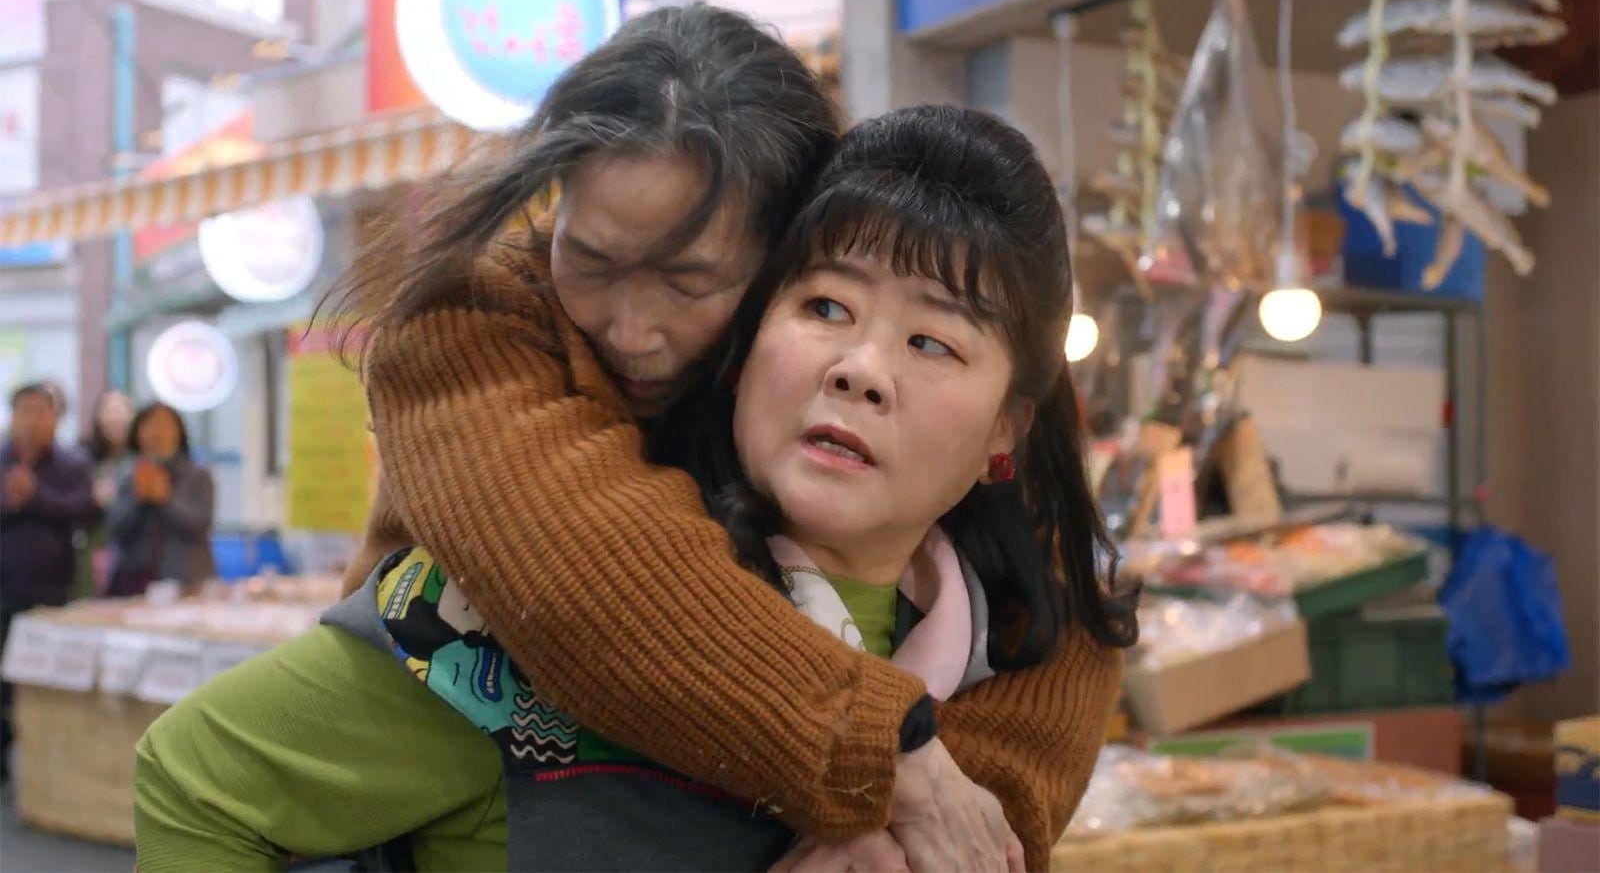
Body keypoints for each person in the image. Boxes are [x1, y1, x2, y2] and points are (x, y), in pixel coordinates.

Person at [134, 104, 1133, 871]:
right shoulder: (508, 622)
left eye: (933, 341)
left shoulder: (1003, 657)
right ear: (743, 340)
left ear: (1005, 429)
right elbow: (195, 780)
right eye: (826, 305)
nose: (861, 368)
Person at [1, 382, 96, 781]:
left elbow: (86, 510)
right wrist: (11, 501)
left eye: (41, 411)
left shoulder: (72, 463)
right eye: (24, 410)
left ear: (55, 418)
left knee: (47, 680)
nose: (32, 419)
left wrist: (36, 495)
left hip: (53, 590)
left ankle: (47, 766)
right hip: (3, 588)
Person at [105, 402, 216, 597]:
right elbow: (115, 528)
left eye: (165, 426)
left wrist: (165, 498)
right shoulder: (126, 474)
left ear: (179, 433)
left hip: (186, 581)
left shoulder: (197, 475)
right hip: (133, 581)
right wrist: (139, 499)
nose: (157, 433)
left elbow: (200, 524)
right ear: (137, 433)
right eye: (150, 426)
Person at [80, 390, 135, 595]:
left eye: (123, 410)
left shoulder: (141, 460)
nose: (117, 418)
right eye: (110, 411)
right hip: (93, 549)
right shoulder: (81, 458)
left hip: (133, 555)